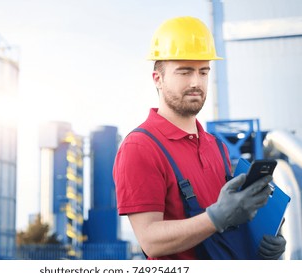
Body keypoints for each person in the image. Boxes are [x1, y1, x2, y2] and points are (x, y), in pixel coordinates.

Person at [113, 16, 286, 260]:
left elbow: (227, 226)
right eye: (184, 71)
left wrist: (261, 238)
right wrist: (216, 217)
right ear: (158, 79)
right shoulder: (140, 147)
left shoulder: (215, 145)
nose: (196, 82)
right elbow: (150, 240)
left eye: (203, 71)